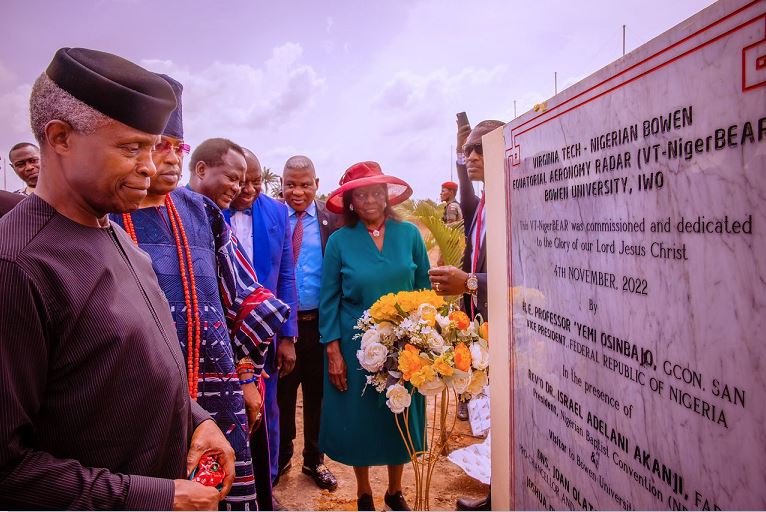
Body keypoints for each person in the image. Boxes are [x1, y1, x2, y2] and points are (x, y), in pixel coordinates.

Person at [0, 47, 234, 510]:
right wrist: (155, 497)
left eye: (153, 147)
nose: (149, 166)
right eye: (131, 147)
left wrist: (197, 420)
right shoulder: (18, 267)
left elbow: (128, 372)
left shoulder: (115, 233)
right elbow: (9, 470)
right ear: (61, 138)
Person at [110, 74, 290, 511]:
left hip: (214, 392)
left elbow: (243, 299)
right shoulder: (106, 215)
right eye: (159, 146)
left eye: (179, 147)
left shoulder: (202, 212)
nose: (170, 160)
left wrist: (247, 375)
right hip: (134, 394)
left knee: (215, 493)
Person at [320, 161, 430, 511]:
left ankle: (395, 491)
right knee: (361, 418)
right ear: (351, 201)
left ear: (387, 196)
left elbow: (425, 287)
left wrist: (427, 337)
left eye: (376, 192)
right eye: (361, 194)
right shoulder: (339, 241)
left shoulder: (410, 235)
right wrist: (333, 350)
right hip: (358, 349)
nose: (369, 200)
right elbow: (329, 298)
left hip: (405, 343)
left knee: (398, 414)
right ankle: (365, 491)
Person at [429, 118, 504, 511]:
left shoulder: (515, 199)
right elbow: (466, 174)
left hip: (513, 327)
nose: (472, 156)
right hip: (484, 324)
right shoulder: (485, 202)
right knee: (496, 414)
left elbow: (524, 276)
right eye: (468, 150)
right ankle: (495, 495)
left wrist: (469, 283)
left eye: (481, 148)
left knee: (510, 414)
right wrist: (461, 141)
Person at [226, 149, 299, 496]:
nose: (252, 188)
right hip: (219, 331)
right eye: (244, 181)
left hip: (264, 334)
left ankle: (266, 487)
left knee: (267, 410)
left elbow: (285, 275)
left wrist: (287, 336)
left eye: (257, 181)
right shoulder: (205, 207)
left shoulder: (276, 211)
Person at [276, 155, 341, 492]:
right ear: (281, 184)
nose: (297, 191)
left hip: (320, 326)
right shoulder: (272, 218)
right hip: (282, 328)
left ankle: (314, 460)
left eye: (304, 184)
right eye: (290, 184)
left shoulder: (335, 220)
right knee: (282, 395)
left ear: (316, 184)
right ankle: (281, 456)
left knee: (318, 396)